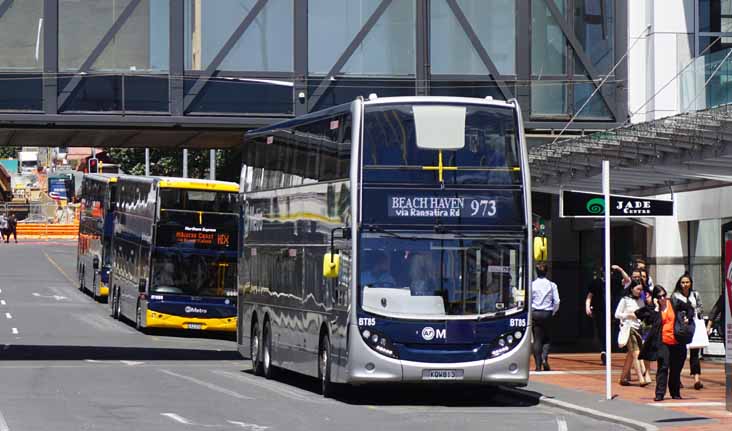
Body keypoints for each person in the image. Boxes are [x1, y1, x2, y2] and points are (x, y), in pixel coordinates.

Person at [639, 285, 694, 401]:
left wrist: (687, 318)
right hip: (663, 342)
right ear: (656, 298)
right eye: (660, 297)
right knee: (663, 367)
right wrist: (654, 308)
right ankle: (659, 394)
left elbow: (689, 308)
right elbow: (644, 317)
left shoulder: (673, 302)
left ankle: (675, 392)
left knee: (676, 368)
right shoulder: (654, 309)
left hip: (677, 340)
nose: (663, 298)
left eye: (664, 295)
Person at [672, 273, 704, 390]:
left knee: (695, 353)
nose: (685, 285)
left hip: (693, 326)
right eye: (683, 282)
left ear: (690, 283)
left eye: (687, 282)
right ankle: (677, 378)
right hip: (680, 327)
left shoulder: (695, 294)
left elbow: (701, 307)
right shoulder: (675, 296)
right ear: (679, 284)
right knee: (680, 354)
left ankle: (697, 379)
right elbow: (673, 310)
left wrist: (694, 312)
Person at [615, 281, 650, 386]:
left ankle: (622, 378)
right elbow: (617, 314)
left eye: (641, 289)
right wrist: (628, 315)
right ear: (632, 289)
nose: (639, 291)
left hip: (638, 328)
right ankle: (641, 378)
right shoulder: (625, 300)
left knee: (631, 355)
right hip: (628, 328)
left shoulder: (641, 301)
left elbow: (643, 314)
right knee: (636, 353)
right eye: (637, 289)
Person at [531, 263, 560, 371]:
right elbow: (557, 301)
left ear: (536, 272)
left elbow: (528, 301)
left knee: (537, 338)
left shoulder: (532, 285)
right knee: (547, 338)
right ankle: (544, 358)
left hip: (536, 313)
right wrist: (553, 311)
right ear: (547, 272)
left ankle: (538, 366)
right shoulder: (552, 285)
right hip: (547, 313)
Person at [585, 267, 607, 364]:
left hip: (611, 311)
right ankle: (604, 350)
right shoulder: (596, 283)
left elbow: (627, 281)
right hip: (600, 310)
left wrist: (619, 269)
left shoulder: (613, 282)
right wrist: (587, 307)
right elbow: (590, 296)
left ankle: (607, 349)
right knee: (601, 330)